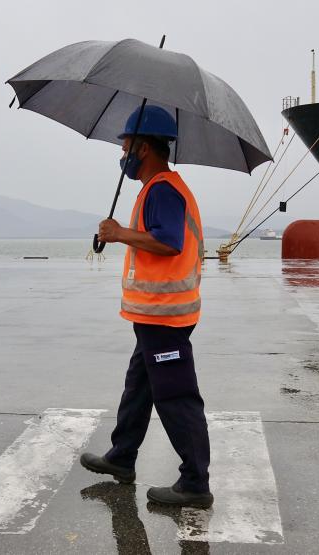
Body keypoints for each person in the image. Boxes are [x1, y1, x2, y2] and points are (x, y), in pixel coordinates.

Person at [80, 105, 213, 509]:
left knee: (176, 395)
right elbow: (155, 238)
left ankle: (194, 483)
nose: (122, 154)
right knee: (139, 386)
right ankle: (122, 458)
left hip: (165, 314)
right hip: (153, 314)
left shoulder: (163, 189)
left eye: (126, 146)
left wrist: (121, 233)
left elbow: (169, 241)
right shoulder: (155, 189)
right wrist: (120, 233)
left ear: (144, 147)